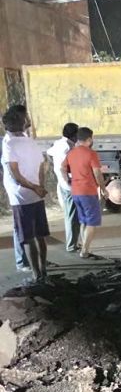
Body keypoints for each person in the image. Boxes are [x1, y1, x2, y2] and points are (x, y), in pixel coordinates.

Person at [2, 108, 49, 283]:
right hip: (37, 196)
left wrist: (33, 187)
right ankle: (44, 271)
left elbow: (14, 173)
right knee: (41, 236)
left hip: (21, 197)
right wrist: (40, 187)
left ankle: (36, 275)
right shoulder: (31, 142)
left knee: (28, 238)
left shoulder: (9, 144)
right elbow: (42, 167)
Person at [62, 127, 106, 259]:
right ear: (89, 139)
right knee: (92, 222)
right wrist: (103, 188)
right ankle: (85, 251)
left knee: (83, 221)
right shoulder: (91, 153)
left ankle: (83, 246)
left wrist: (67, 181)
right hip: (88, 191)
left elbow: (62, 168)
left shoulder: (71, 153)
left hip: (75, 191)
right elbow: (97, 173)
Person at [2, 104, 32, 272]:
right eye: (25, 117)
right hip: (19, 189)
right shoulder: (9, 142)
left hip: (28, 187)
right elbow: (14, 171)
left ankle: (33, 258)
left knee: (30, 225)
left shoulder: (22, 136)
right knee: (20, 225)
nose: (28, 119)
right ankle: (22, 261)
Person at [47, 122, 80, 252]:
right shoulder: (66, 147)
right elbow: (63, 167)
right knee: (72, 216)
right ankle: (72, 245)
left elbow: (49, 153)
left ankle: (74, 243)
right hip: (68, 185)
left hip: (63, 183)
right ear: (73, 135)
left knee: (72, 214)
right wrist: (68, 181)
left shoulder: (58, 143)